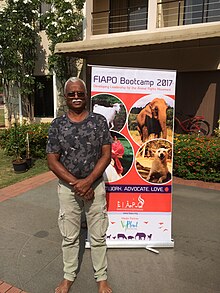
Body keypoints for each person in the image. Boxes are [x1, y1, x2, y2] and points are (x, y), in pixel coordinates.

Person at [46, 77, 113, 293]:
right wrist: (78, 184)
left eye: (80, 93)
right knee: (69, 235)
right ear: (65, 97)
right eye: (71, 94)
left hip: (95, 186)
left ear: (86, 95)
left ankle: (101, 278)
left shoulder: (99, 121)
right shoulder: (58, 124)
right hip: (69, 189)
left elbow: (106, 154)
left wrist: (89, 181)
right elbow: (52, 159)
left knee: (98, 233)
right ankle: (68, 276)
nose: (76, 97)